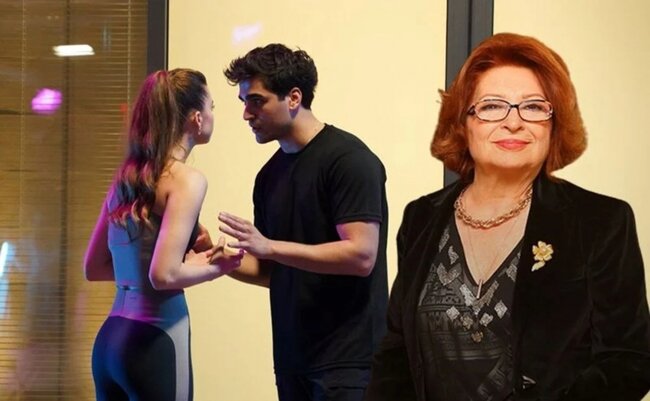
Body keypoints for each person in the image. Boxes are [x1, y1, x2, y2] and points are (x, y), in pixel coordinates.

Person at [365, 32, 650, 401]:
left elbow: (628, 360)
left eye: (533, 107)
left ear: (554, 123)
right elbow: (396, 355)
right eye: (492, 106)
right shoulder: (421, 217)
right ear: (463, 122)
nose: (514, 122)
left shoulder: (600, 221)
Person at [220, 43, 389, 401]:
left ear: (294, 97)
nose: (247, 114)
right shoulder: (268, 177)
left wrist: (269, 246)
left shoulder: (349, 160)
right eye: (244, 102)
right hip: (293, 361)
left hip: (349, 363)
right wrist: (221, 262)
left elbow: (361, 256)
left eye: (257, 101)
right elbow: (273, 271)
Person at [83, 68, 244, 401]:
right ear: (197, 118)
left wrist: (181, 263)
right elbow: (163, 275)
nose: (213, 115)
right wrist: (216, 266)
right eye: (212, 107)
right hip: (156, 338)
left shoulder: (126, 179)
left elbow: (95, 267)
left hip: (111, 341)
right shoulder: (188, 179)